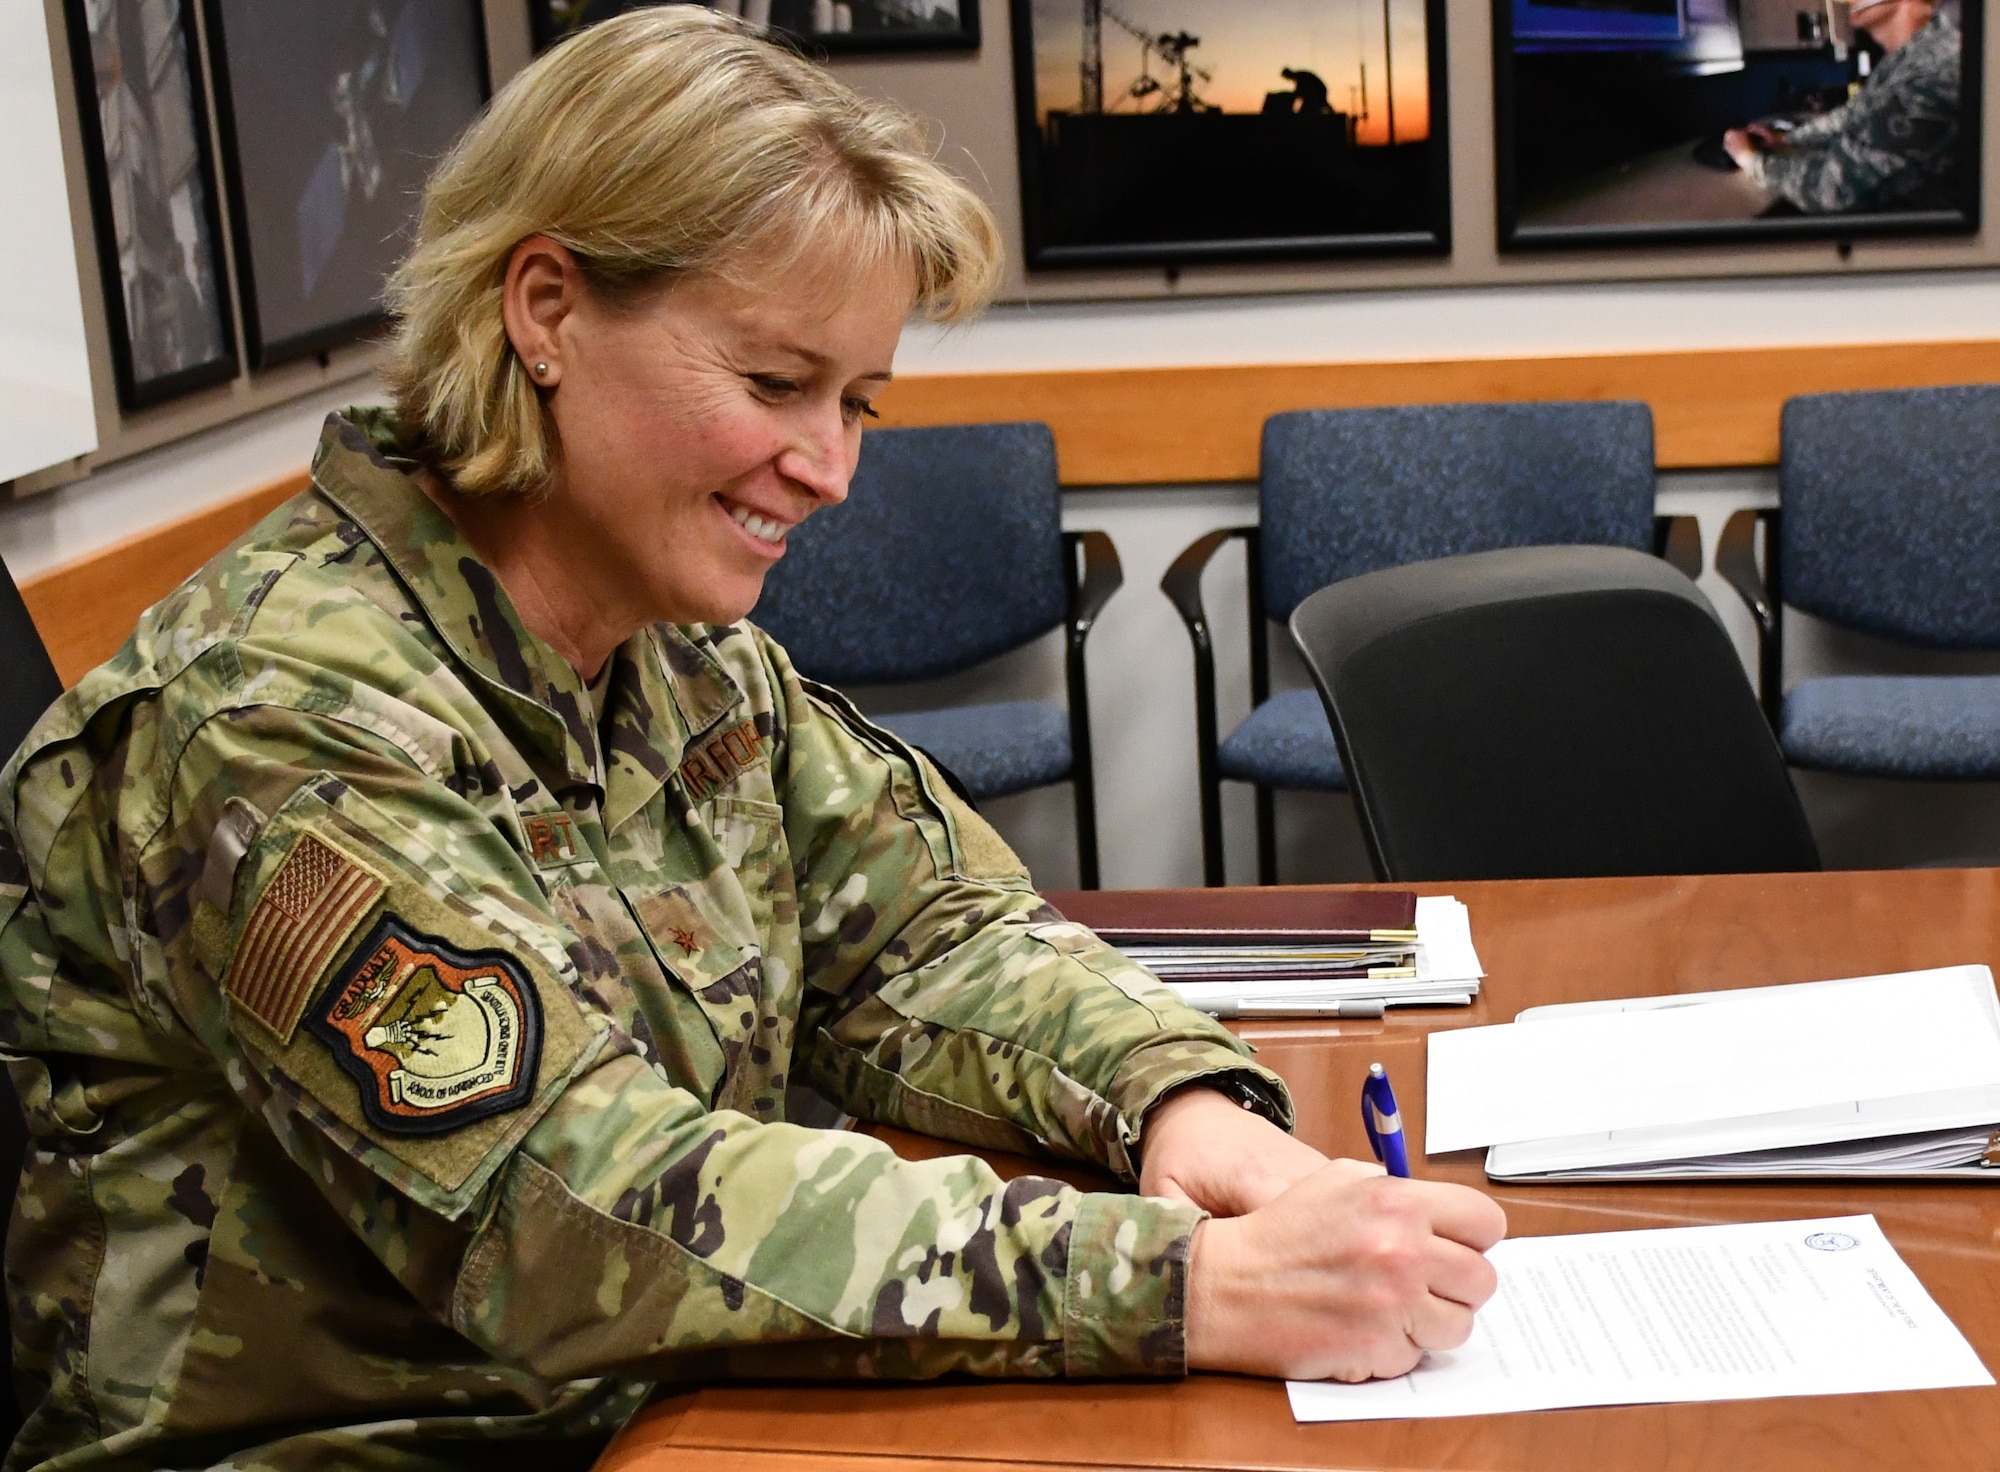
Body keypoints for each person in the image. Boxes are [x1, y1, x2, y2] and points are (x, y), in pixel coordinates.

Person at [0, 10, 1505, 1469]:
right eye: (776, 384)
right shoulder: (275, 721)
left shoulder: (683, 658)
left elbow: (934, 940)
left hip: (663, 1414)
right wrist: (1181, 1284)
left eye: (859, 401)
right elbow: (568, 1210)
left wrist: (1179, 1099)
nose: (832, 469)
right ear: (545, 313)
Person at [1723, 0, 1961, 213]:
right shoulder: (1908, 55)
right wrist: (1788, 139)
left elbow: (1831, 190)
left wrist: (1750, 159)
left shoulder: (1934, 72)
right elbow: (1853, 115)